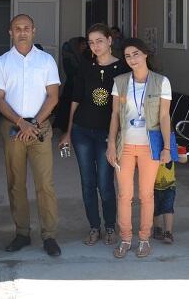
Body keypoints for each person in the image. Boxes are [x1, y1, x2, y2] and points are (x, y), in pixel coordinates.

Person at [0, 14, 62, 257]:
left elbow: (53, 96)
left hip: (40, 129)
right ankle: (22, 232)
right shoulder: (2, 62)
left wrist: (34, 123)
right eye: (17, 28)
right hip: (13, 129)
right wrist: (21, 122)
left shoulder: (46, 61)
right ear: (10, 32)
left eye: (26, 28)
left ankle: (49, 235)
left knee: (45, 184)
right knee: (16, 184)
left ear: (34, 30)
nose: (22, 32)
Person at [58, 23, 130, 246]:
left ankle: (110, 226)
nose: (95, 46)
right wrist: (68, 132)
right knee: (87, 182)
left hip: (107, 134)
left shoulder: (124, 69)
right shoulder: (85, 67)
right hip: (82, 131)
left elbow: (125, 107)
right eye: (91, 42)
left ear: (110, 40)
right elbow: (75, 100)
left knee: (105, 182)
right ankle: (94, 227)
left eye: (99, 40)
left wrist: (119, 136)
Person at [106, 37, 173, 259]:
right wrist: (110, 145)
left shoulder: (161, 82)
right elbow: (115, 115)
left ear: (145, 54)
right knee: (124, 195)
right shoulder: (120, 81)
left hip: (149, 146)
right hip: (124, 144)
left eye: (136, 54)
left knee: (146, 195)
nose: (132, 59)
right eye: (127, 56)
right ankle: (126, 238)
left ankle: (144, 239)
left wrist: (166, 147)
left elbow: (164, 116)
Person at [152, 147, 188, 244]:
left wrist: (173, 152)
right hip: (153, 185)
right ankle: (157, 228)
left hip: (169, 185)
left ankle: (168, 232)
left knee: (168, 208)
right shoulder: (152, 146)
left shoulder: (172, 146)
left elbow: (184, 159)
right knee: (155, 209)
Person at [55, 36, 85, 131]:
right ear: (77, 45)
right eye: (83, 44)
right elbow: (70, 71)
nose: (85, 47)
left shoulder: (81, 55)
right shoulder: (69, 56)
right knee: (67, 107)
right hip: (71, 85)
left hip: (77, 85)